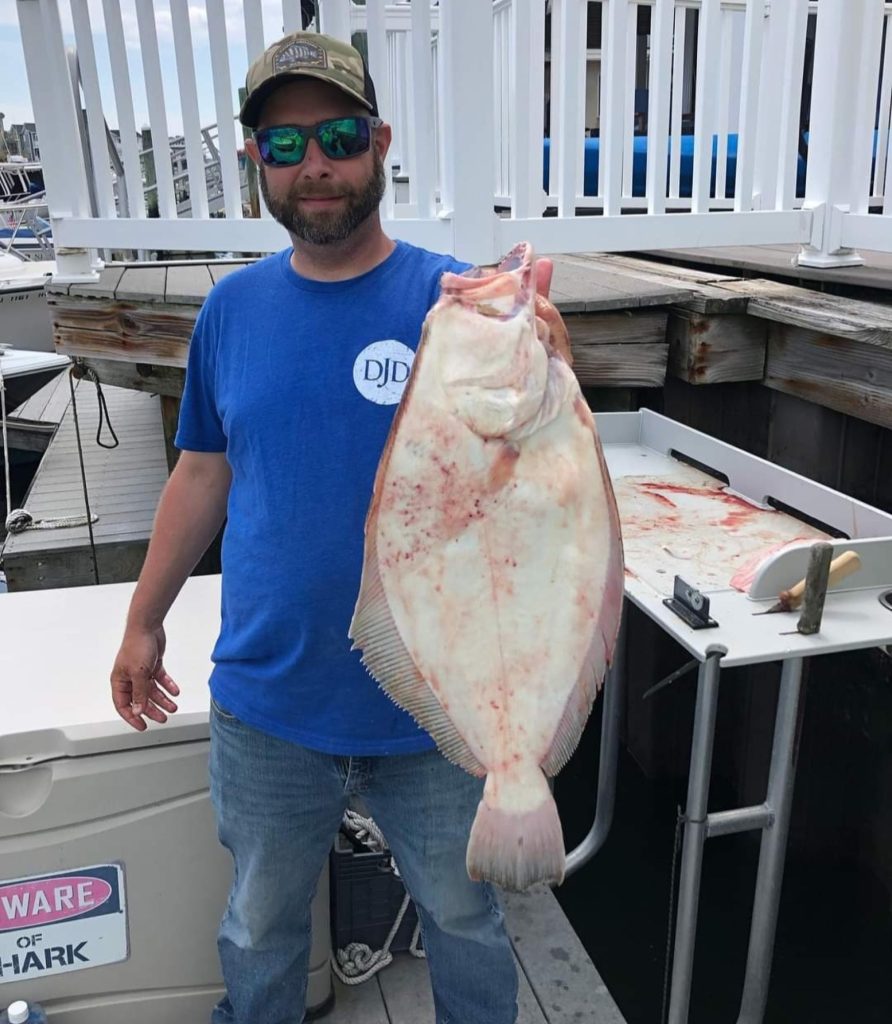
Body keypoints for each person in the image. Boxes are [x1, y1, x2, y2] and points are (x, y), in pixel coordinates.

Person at [110, 30, 552, 1024]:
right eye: (284, 144)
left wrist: (541, 354)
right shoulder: (230, 309)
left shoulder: (457, 305)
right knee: (260, 922)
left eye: (340, 136)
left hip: (433, 706)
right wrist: (145, 619)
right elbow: (202, 468)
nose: (315, 164)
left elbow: (528, 472)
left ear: (380, 143)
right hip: (270, 698)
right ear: (255, 161)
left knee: (465, 916)